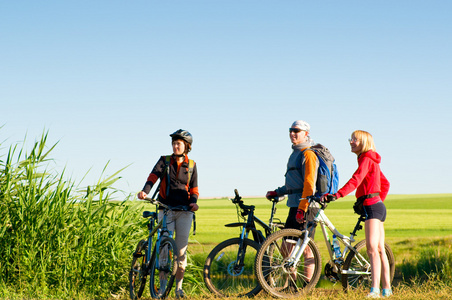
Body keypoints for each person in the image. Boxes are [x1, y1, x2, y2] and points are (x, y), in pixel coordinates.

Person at [321, 130, 391, 298]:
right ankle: (387, 289)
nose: (351, 142)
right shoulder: (371, 159)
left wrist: (338, 194)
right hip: (378, 206)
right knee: (380, 249)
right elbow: (385, 183)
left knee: (372, 249)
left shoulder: (367, 158)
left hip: (373, 207)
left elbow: (356, 179)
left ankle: (374, 290)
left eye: (355, 139)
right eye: (350, 139)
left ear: (364, 142)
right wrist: (377, 198)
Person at [137, 129, 199, 298]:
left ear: (186, 146)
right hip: (165, 209)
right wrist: (145, 191)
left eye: (178, 143)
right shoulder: (164, 161)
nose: (175, 145)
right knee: (164, 250)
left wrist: (193, 202)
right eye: (173, 143)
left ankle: (179, 289)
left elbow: (194, 189)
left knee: (181, 252)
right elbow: (153, 176)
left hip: (185, 212)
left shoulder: (192, 165)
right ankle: (162, 288)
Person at [266, 120, 318, 284]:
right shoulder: (294, 153)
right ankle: (293, 285)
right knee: (287, 247)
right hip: (295, 205)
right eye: (291, 130)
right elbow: (294, 183)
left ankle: (306, 285)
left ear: (306, 134)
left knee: (306, 248)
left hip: (307, 206)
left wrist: (303, 208)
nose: (293, 133)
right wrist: (278, 192)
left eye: (297, 130)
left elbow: (310, 184)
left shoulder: (308, 153)